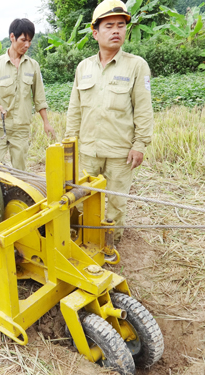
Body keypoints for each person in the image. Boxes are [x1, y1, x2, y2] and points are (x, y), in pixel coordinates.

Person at [65, 0, 154, 245]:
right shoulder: (83, 67)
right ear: (95, 33)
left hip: (120, 152)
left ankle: (108, 245)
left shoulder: (136, 66)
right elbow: (74, 108)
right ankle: (81, 240)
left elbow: (144, 109)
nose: (116, 30)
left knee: (115, 203)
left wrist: (140, 144)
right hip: (88, 151)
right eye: (109, 26)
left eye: (120, 25)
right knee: (80, 198)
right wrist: (69, 142)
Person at [0, 18, 56, 171]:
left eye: (30, 41)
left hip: (21, 127)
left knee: (20, 171)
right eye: (23, 40)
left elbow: (39, 97)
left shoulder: (33, 66)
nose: (27, 45)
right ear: (12, 37)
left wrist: (46, 123)